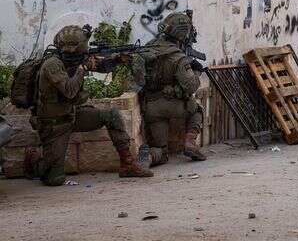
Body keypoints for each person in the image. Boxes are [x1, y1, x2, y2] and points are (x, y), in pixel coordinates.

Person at [24, 25, 153, 186]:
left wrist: (117, 59)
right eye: (81, 51)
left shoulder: (74, 59)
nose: (83, 55)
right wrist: (83, 69)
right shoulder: (52, 64)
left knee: (112, 115)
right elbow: (69, 91)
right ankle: (34, 157)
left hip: (72, 116)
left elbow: (101, 66)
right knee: (54, 180)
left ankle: (128, 164)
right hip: (54, 125)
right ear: (71, 50)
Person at [137, 12, 206, 168]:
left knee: (161, 150)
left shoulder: (148, 48)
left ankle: (148, 157)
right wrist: (196, 72)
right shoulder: (178, 57)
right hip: (175, 106)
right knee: (197, 110)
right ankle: (190, 143)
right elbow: (191, 86)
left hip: (151, 108)